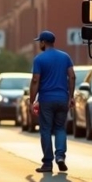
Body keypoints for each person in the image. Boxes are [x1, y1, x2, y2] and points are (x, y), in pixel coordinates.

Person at [28, 30, 75, 173]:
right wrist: (71, 96)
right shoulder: (65, 57)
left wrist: (32, 101)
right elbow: (72, 77)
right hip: (62, 99)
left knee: (46, 130)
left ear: (43, 42)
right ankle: (60, 157)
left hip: (46, 100)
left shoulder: (39, 59)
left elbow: (36, 80)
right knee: (60, 128)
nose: (39, 45)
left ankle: (47, 163)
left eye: (39, 42)